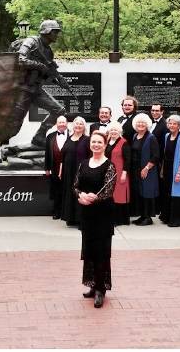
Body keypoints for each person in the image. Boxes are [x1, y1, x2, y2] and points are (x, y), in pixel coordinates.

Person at [0, 20, 67, 161]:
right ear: (46, 31)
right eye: (55, 32)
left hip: (36, 89)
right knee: (14, 126)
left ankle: (39, 138)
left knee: (59, 110)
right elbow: (20, 60)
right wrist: (40, 66)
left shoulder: (48, 51)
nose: (57, 35)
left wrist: (57, 79)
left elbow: (46, 72)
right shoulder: (31, 42)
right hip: (23, 89)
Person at [74, 131, 116, 308]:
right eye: (94, 142)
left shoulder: (109, 166)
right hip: (87, 214)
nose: (96, 144)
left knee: (101, 251)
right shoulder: (83, 164)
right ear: (90, 144)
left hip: (103, 214)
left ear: (105, 145)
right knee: (89, 250)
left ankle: (100, 289)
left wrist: (93, 198)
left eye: (100, 142)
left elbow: (108, 191)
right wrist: (81, 196)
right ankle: (92, 284)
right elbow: (75, 185)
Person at [59, 117, 89, 227]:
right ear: (73, 126)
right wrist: (61, 169)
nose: (78, 126)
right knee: (69, 193)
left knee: (80, 193)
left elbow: (90, 157)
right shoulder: (69, 138)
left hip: (80, 171)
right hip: (68, 171)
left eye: (81, 124)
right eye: (76, 124)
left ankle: (80, 218)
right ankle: (70, 217)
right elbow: (63, 155)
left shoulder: (87, 139)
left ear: (84, 126)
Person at [131, 113, 160, 226]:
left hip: (147, 169)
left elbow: (156, 156)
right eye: (139, 122)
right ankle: (142, 216)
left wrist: (147, 168)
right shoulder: (135, 136)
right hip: (136, 169)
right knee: (140, 193)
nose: (141, 124)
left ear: (147, 124)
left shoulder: (151, 137)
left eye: (143, 122)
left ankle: (148, 218)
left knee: (147, 193)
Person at [160, 115, 180, 227]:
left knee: (177, 192)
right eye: (170, 123)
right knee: (167, 191)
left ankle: (176, 220)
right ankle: (166, 217)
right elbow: (165, 154)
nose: (171, 125)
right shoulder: (167, 136)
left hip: (177, 168)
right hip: (167, 168)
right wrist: (162, 168)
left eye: (174, 124)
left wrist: (179, 173)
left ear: (179, 126)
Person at [44, 116, 69, 220]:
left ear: (67, 123)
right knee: (56, 190)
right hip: (55, 167)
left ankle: (66, 212)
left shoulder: (72, 135)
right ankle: (56, 211)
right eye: (60, 122)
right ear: (56, 124)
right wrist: (47, 168)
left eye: (64, 122)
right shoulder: (50, 136)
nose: (62, 124)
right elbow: (47, 153)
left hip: (68, 168)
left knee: (67, 190)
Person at [106, 122, 130, 226]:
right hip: (109, 173)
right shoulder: (106, 141)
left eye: (116, 130)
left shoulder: (124, 142)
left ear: (120, 131)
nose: (113, 132)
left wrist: (124, 173)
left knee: (119, 196)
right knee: (111, 195)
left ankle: (120, 220)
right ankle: (111, 218)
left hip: (120, 172)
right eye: (111, 130)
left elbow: (128, 159)